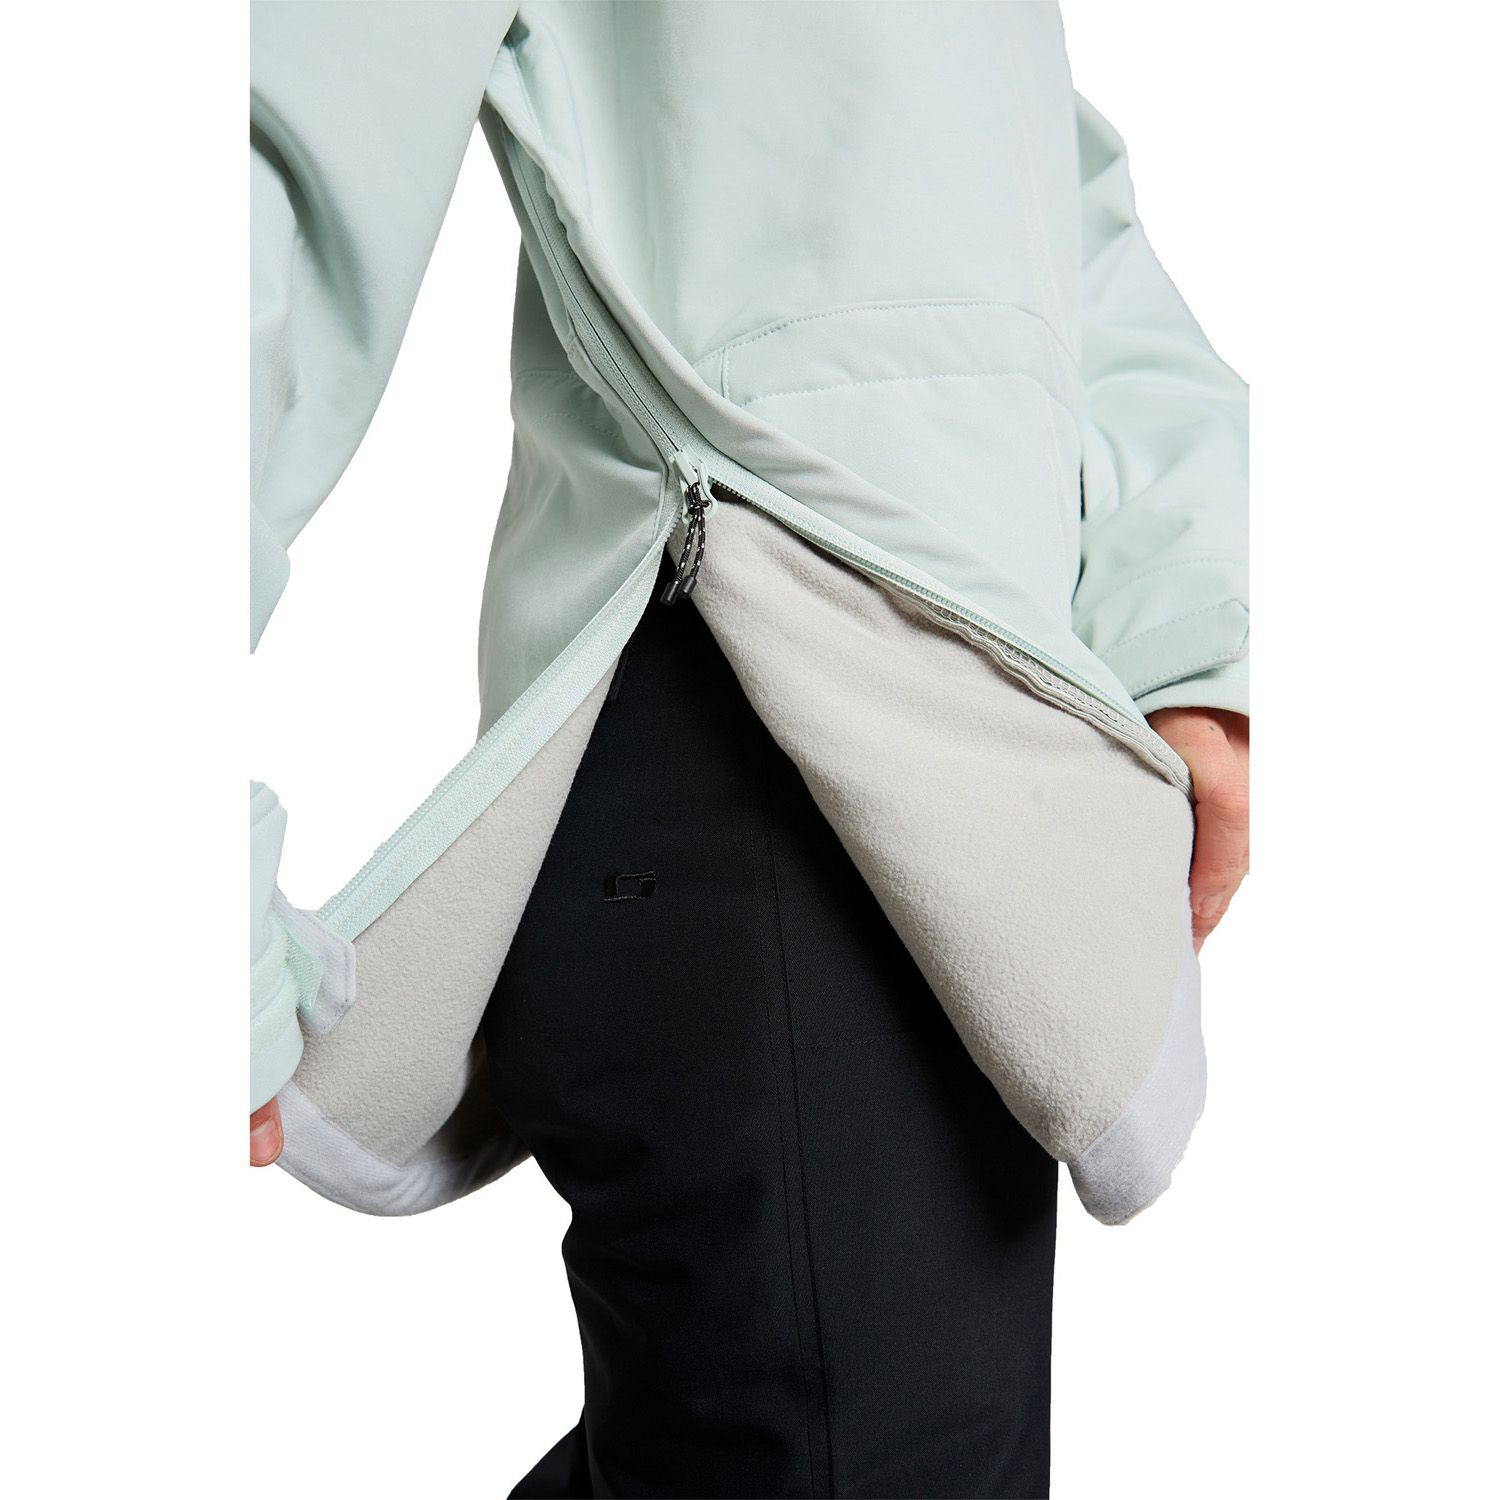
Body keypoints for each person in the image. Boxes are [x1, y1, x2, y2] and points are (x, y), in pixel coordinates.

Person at [248, 4, 1248, 1495]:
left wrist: (1186, 618)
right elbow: (264, 153)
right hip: (742, 741)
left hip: (974, 790)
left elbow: (1047, 177)